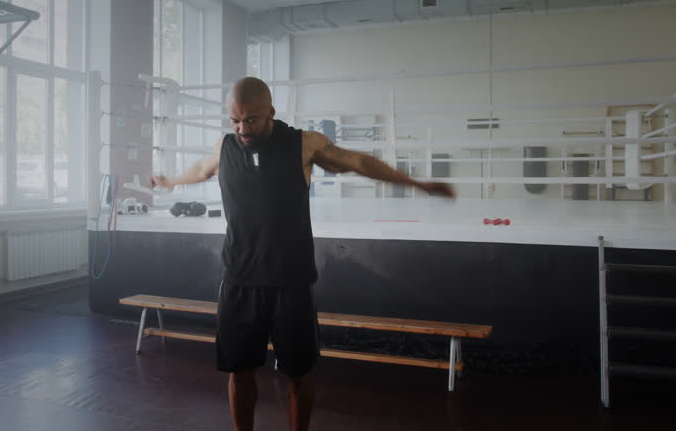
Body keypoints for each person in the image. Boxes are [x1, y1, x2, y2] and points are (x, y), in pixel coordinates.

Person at [150, 77, 454, 431]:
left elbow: (357, 161)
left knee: (299, 373)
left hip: (290, 281)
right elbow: (202, 169)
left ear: (271, 112)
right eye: (234, 120)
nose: (242, 129)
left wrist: (415, 184)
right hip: (240, 280)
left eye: (251, 119)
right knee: (239, 371)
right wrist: (171, 182)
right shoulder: (225, 147)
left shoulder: (303, 144)